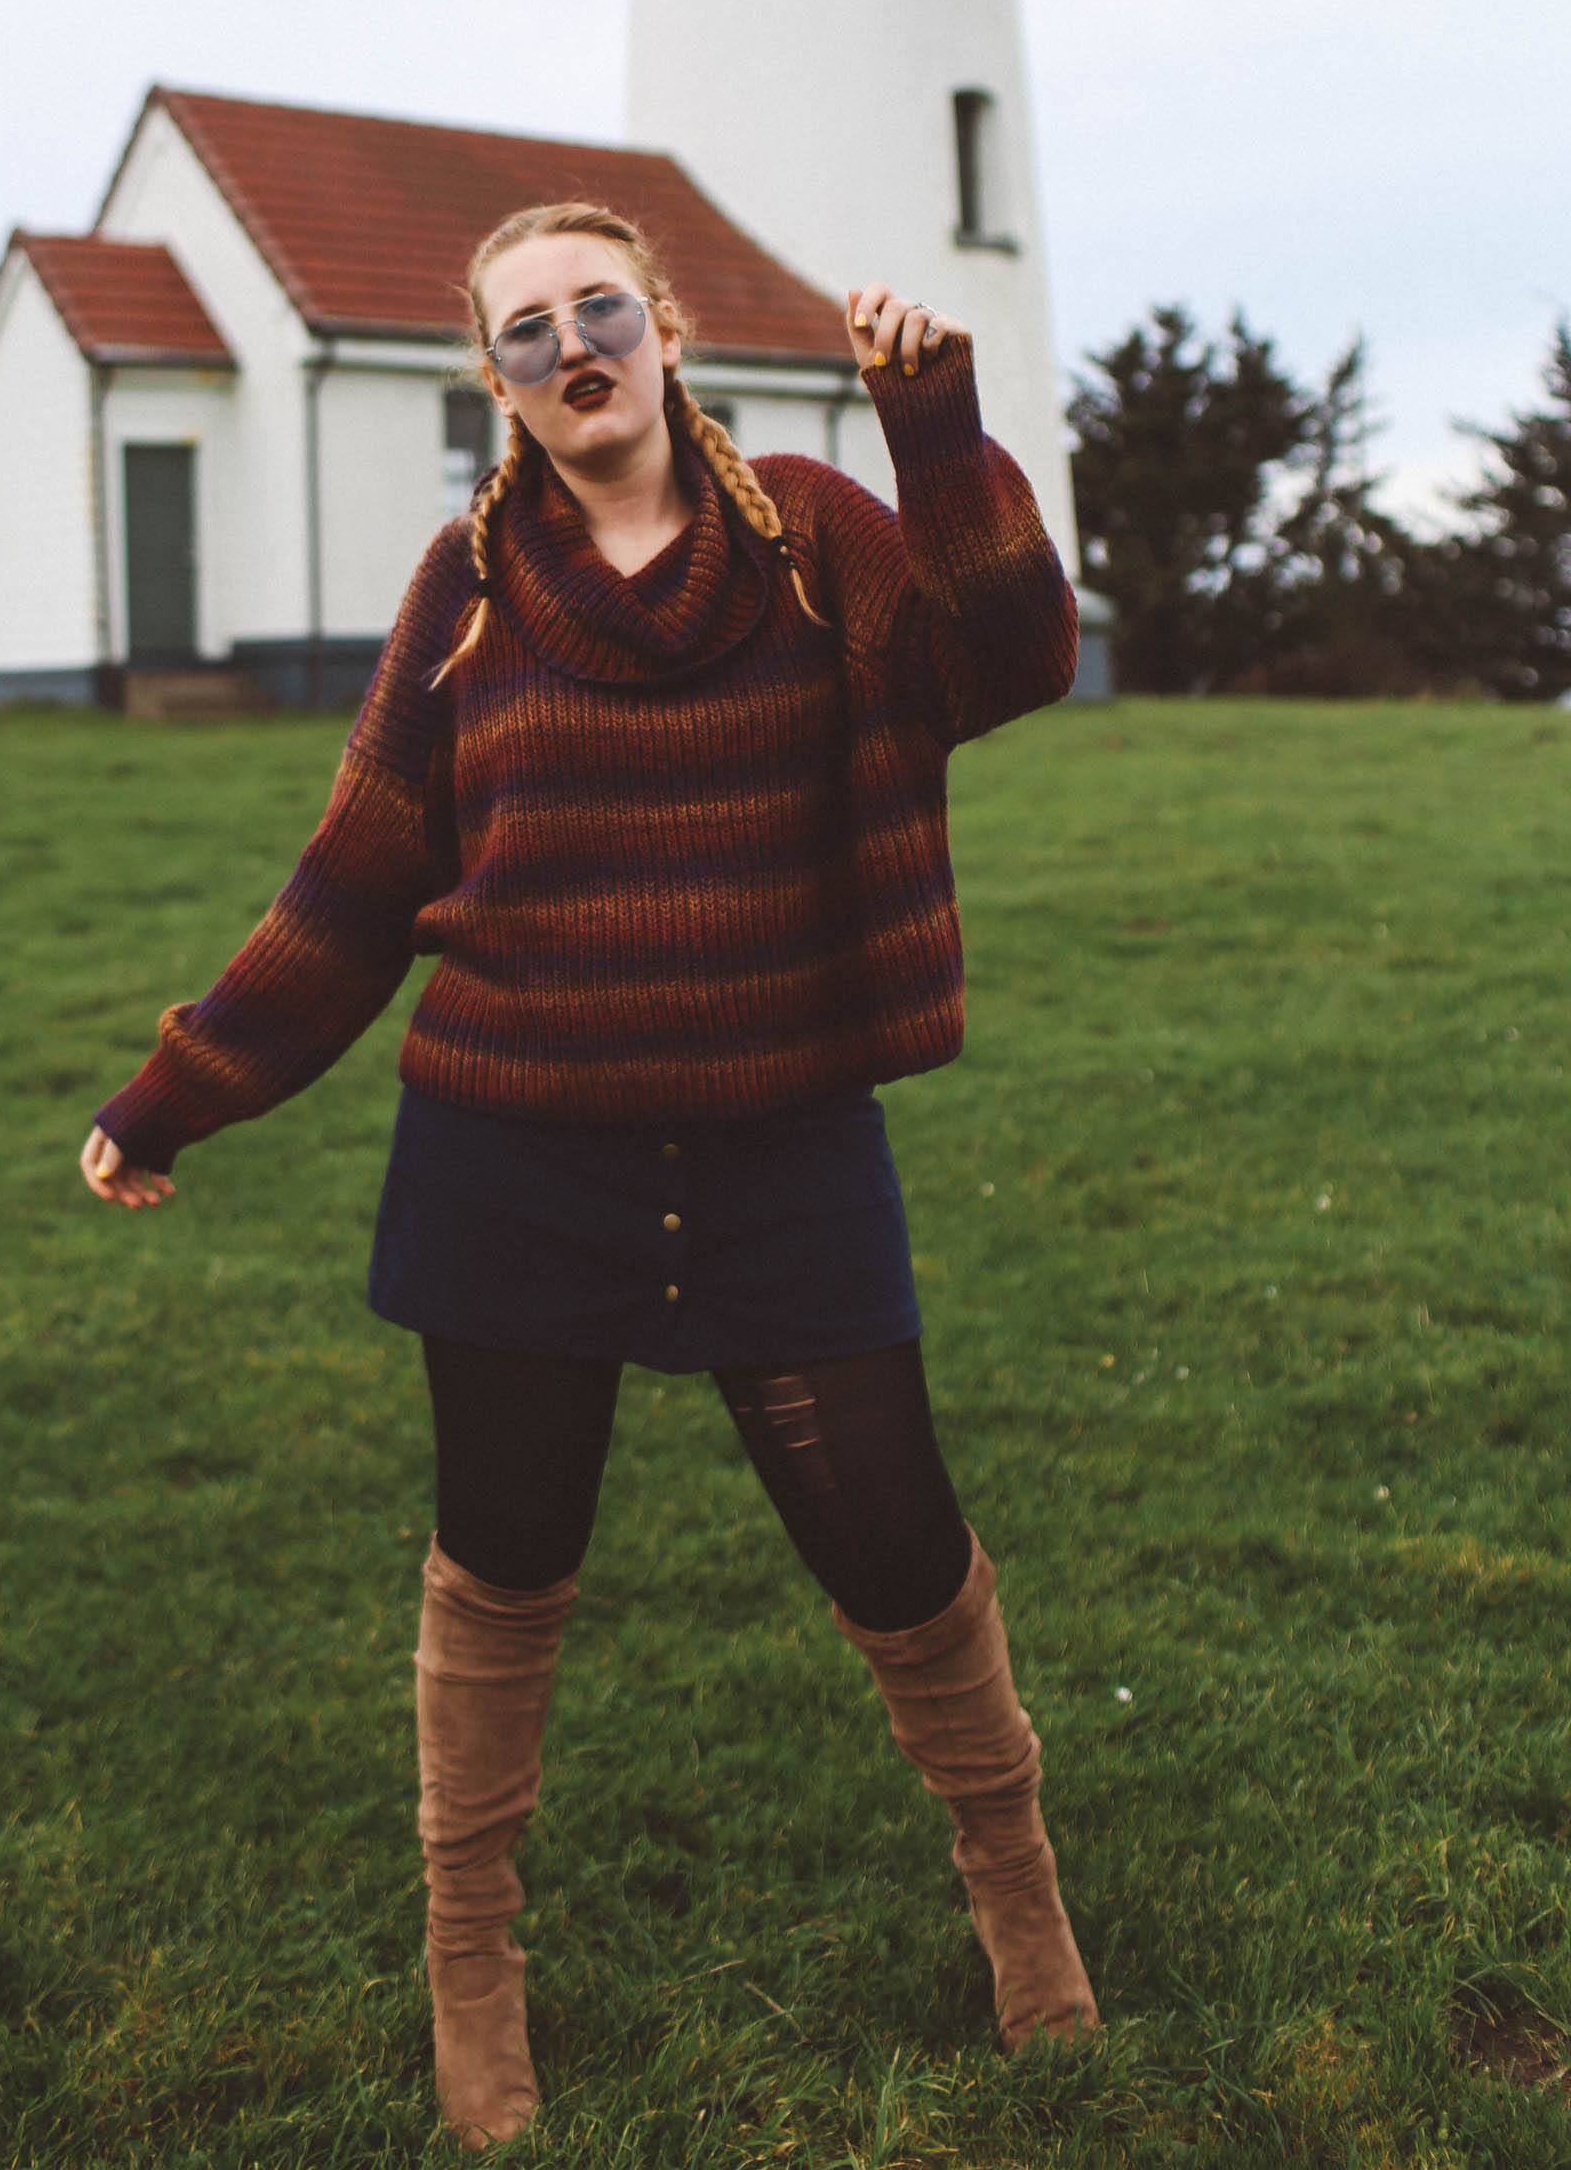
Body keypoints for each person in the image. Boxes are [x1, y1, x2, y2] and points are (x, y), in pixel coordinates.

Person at [79, 200, 1101, 2151]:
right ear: (495, 383)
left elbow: (1018, 659)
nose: (572, 347)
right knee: (505, 1568)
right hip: (511, 1160)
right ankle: (475, 1959)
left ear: (665, 330)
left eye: (599, 309)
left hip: (782, 1144)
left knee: (898, 1547)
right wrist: (174, 1091)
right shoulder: (461, 599)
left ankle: (1014, 1891)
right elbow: (357, 886)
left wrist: (938, 432)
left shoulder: (814, 540)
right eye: (528, 329)